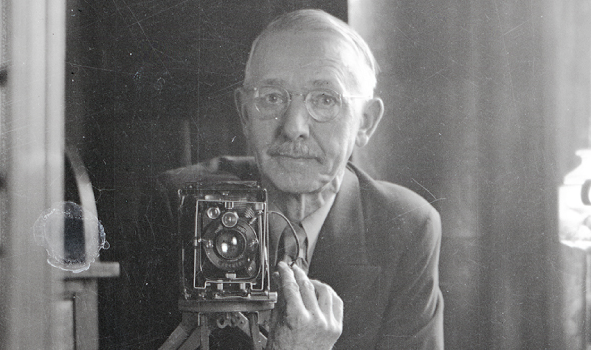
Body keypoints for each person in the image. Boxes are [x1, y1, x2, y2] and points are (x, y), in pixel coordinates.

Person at [134, 9, 444, 349]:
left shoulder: (406, 226)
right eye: (271, 97)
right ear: (244, 113)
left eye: (325, 100)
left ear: (366, 123)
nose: (294, 126)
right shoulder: (178, 203)